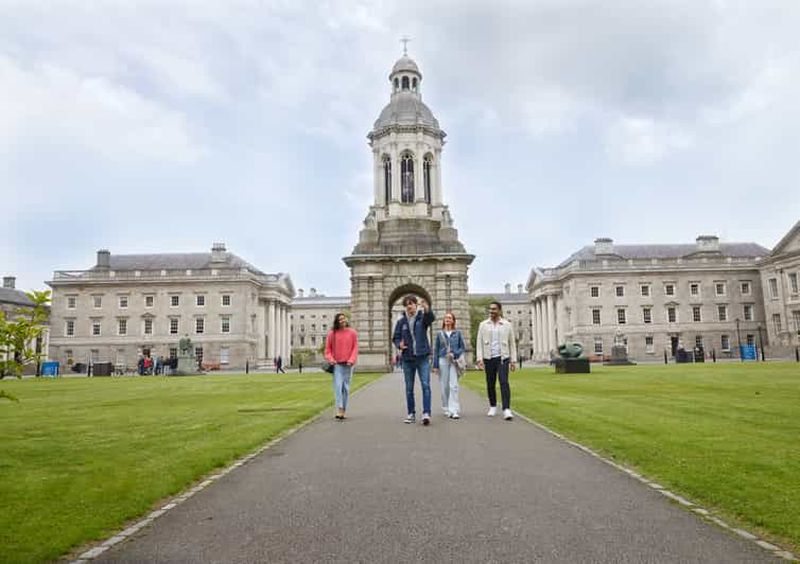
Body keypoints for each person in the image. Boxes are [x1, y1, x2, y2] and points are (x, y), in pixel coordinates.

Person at [393, 295, 435, 425]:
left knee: (425, 385)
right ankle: (411, 413)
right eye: (407, 305)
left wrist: (427, 309)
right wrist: (399, 344)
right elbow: (396, 337)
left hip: (422, 357)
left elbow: (430, 319)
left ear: (416, 305)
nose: (409, 306)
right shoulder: (401, 322)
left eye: (411, 304)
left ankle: (426, 413)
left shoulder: (422, 317)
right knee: (409, 388)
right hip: (408, 358)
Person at [476, 301, 517, 421]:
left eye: (494, 309)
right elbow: (479, 343)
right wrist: (479, 359)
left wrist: (513, 360)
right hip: (489, 357)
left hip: (503, 357)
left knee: (504, 382)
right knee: (490, 383)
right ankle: (493, 405)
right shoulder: (483, 324)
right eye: (490, 309)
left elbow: (512, 343)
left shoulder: (507, 324)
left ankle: (506, 409)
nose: (491, 311)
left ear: (499, 310)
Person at [324, 312, 359, 420]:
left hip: (348, 364)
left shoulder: (352, 333)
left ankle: (343, 409)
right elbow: (327, 350)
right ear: (337, 322)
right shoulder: (332, 333)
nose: (343, 321)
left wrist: (351, 360)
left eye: (344, 319)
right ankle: (339, 409)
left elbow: (355, 348)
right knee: (338, 387)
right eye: (340, 319)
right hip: (337, 364)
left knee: (346, 388)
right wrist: (331, 360)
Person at [432, 312, 466, 419]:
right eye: (446, 317)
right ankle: (446, 407)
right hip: (442, 360)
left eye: (450, 318)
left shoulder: (458, 333)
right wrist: (435, 365)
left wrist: (454, 353)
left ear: (453, 321)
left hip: (454, 361)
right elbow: (436, 350)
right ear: (443, 320)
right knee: (444, 386)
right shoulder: (439, 334)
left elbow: (462, 348)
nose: (447, 319)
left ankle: (454, 410)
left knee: (454, 385)